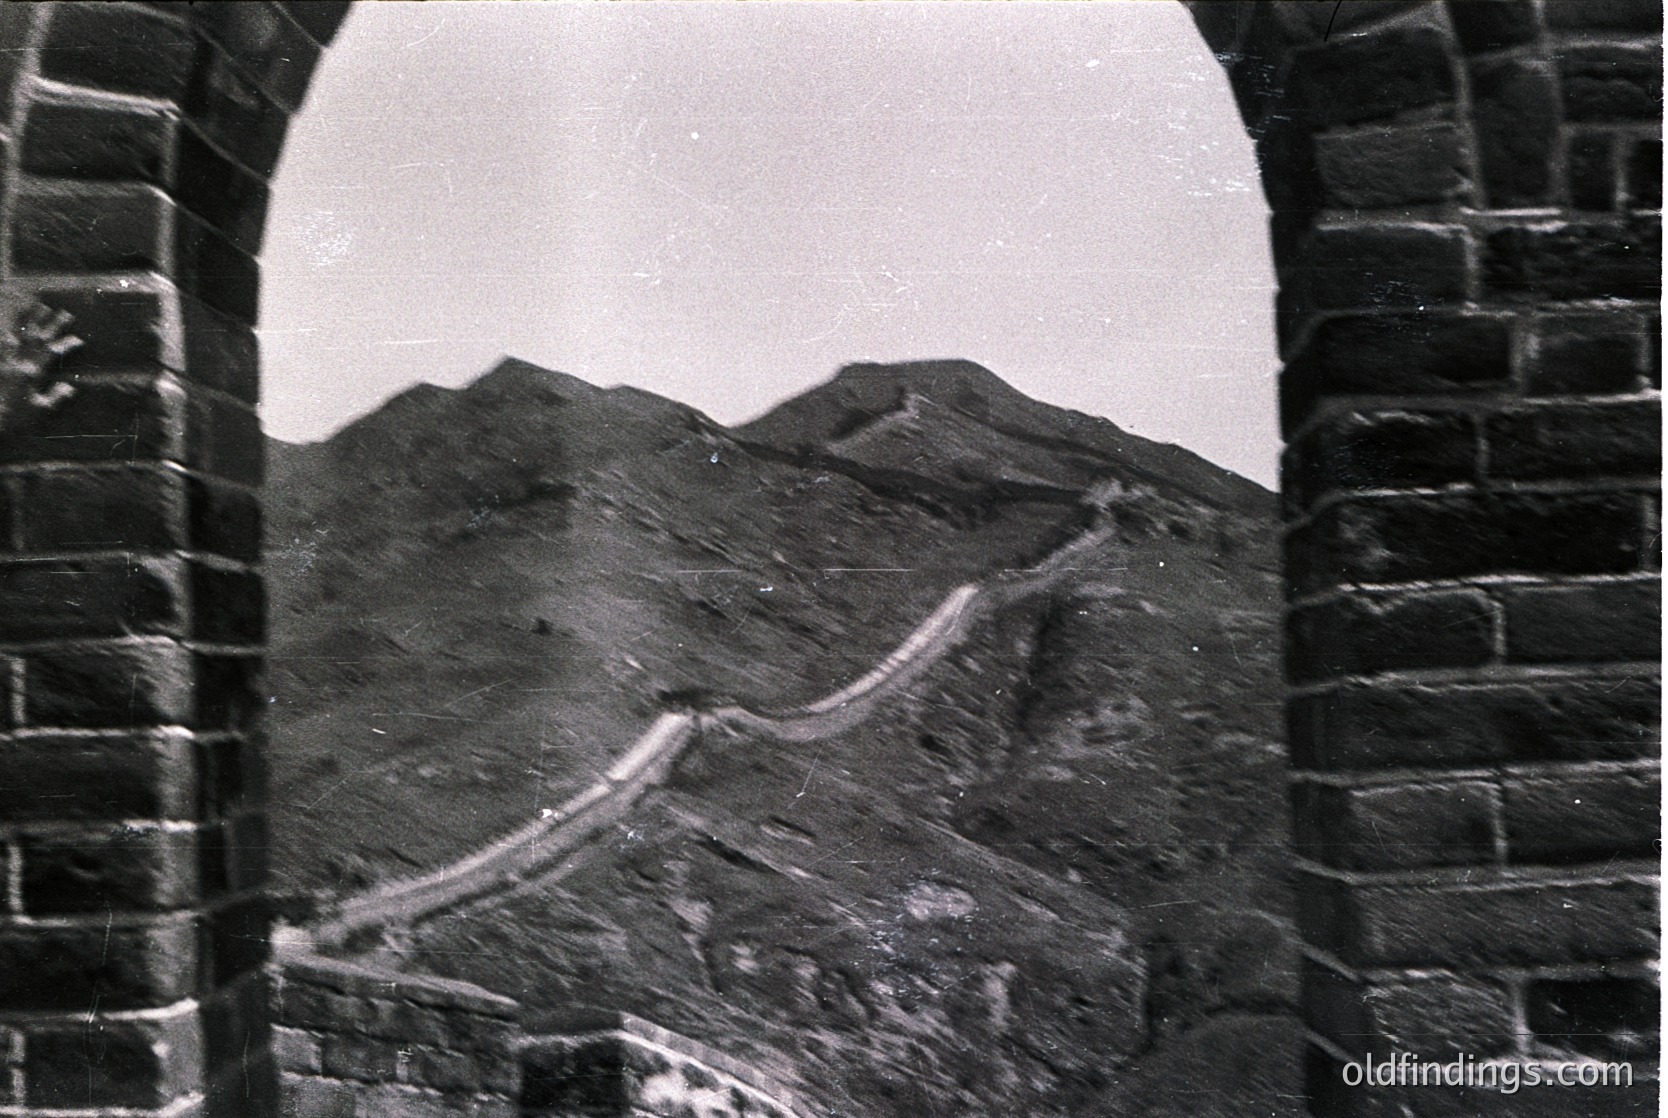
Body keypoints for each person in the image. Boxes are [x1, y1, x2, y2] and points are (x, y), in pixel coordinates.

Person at [0, 301, 80, 428]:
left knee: (32, 339)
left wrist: (9, 364)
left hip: (17, 362)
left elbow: (35, 399)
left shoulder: (10, 401)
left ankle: (46, 312)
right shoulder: (14, 405)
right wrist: (57, 393)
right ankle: (58, 318)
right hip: (27, 369)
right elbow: (36, 400)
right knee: (44, 347)